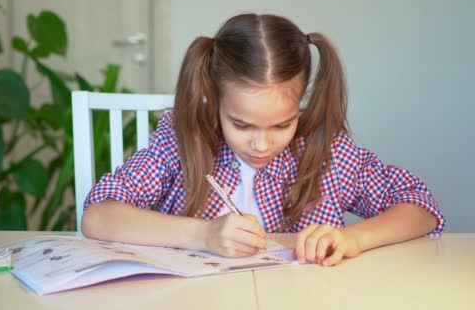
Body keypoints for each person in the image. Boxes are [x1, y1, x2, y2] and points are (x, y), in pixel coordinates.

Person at [81, 13, 445, 266]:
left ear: (300, 106)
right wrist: (203, 234)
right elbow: (98, 216)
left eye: (281, 125)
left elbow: (421, 207)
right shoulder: (184, 141)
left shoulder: (324, 152)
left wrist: (352, 239)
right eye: (241, 125)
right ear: (216, 101)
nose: (261, 145)